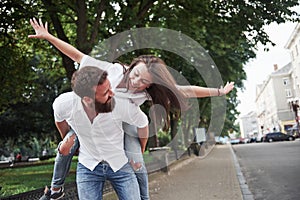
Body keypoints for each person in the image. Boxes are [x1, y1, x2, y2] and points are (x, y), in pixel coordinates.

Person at [29, 18, 234, 200]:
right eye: (135, 75)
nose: (135, 82)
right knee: (67, 143)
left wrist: (218, 92)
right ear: (132, 66)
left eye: (144, 82)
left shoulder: (144, 93)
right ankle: (56, 189)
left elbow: (185, 90)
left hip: (122, 126)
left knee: (136, 159)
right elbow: (77, 56)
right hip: (93, 116)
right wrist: (48, 37)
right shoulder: (112, 70)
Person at [54, 66, 148, 200]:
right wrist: (71, 142)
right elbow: (60, 120)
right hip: (88, 167)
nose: (112, 93)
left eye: (110, 87)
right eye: (105, 93)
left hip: (120, 165)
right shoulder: (64, 104)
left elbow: (143, 123)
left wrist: (141, 148)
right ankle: (55, 189)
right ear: (87, 99)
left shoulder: (120, 104)